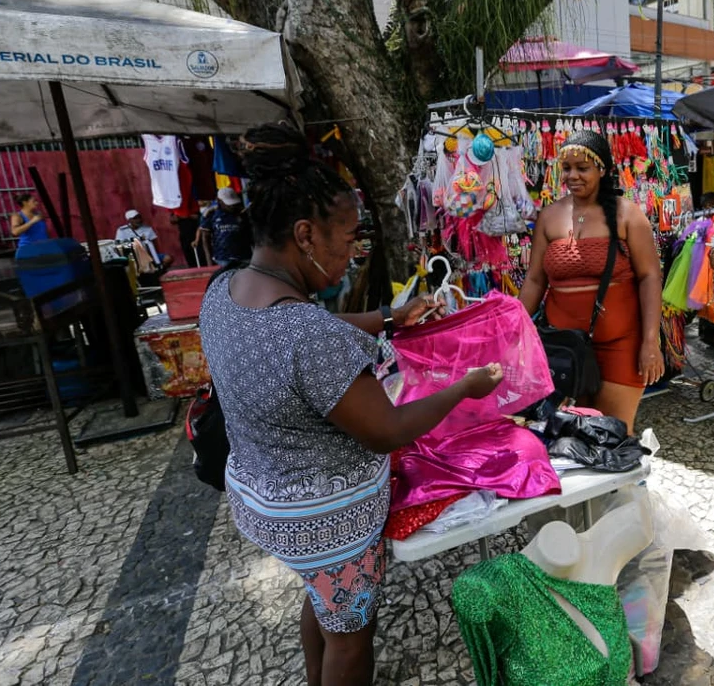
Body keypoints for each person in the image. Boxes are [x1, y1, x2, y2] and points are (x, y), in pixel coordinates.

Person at [198, 123, 503, 686]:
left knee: (323, 603)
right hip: (325, 521)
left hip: (264, 499)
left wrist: (390, 317)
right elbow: (386, 430)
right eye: (346, 241)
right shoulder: (311, 337)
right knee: (350, 639)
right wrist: (464, 387)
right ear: (306, 234)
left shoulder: (225, 291)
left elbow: (297, 336)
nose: (352, 253)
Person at [519, 130, 664, 432]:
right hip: (564, 349)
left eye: (582, 168)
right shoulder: (549, 217)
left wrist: (651, 341)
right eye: (567, 168)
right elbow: (534, 280)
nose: (573, 175)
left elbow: (650, 277)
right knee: (568, 438)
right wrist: (514, 330)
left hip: (621, 346)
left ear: (603, 170)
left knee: (613, 435)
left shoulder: (628, 215)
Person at [199, 187, 253, 267]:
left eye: (233, 204)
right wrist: (209, 262)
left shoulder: (242, 213)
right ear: (219, 201)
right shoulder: (210, 214)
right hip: (223, 258)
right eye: (228, 204)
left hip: (244, 257)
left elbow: (251, 234)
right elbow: (205, 239)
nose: (232, 207)